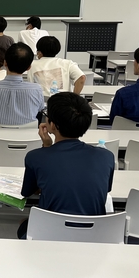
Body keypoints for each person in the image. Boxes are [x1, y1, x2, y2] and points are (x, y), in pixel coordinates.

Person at [19, 92, 114, 237]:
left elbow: (27, 192)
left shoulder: (35, 157)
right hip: (94, 237)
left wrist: (46, 147)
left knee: (23, 224)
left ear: (53, 125)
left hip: (49, 235)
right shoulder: (106, 157)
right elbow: (104, 190)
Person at [0, 43, 44, 126]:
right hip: (26, 134)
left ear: (5, 63)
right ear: (29, 67)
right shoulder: (37, 89)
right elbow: (40, 108)